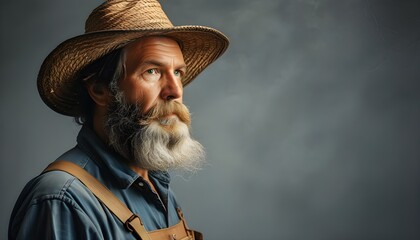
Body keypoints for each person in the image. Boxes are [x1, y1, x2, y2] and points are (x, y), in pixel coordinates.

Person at [8, 0, 228, 239]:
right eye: (152, 71)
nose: (175, 91)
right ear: (100, 90)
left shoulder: (156, 184)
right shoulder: (62, 200)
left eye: (177, 72)